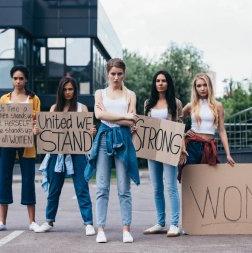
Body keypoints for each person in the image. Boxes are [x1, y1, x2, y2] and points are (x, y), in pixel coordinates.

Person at [84, 58, 139, 243]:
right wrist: (124, 116)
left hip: (123, 140)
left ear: (124, 74)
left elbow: (132, 122)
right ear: (108, 74)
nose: (116, 77)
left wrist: (115, 118)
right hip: (103, 139)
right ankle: (100, 229)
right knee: (102, 186)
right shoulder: (99, 93)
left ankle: (126, 229)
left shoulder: (130, 94)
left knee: (124, 187)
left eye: (119, 74)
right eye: (113, 74)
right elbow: (99, 116)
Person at [33, 77, 96, 236]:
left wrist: (91, 133)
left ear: (75, 91)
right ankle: (49, 220)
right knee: (54, 189)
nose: (68, 92)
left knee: (82, 188)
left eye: (71, 89)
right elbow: (46, 130)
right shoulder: (54, 108)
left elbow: (88, 133)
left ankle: (88, 223)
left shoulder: (82, 108)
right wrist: (38, 132)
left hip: (78, 153)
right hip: (57, 154)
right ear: (61, 91)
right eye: (65, 89)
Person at [0, 65, 41, 232]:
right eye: (15, 78)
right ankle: (2, 221)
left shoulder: (34, 99)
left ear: (26, 80)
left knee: (28, 180)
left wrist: (36, 129)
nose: (18, 81)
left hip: (27, 144)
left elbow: (38, 123)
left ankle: (32, 222)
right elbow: (0, 121)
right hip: (6, 143)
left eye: (21, 78)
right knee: (4, 180)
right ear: (12, 79)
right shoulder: (4, 99)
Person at [142, 70, 184, 237]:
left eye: (164, 80)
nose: (160, 83)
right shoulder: (148, 103)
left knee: (171, 186)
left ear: (168, 83)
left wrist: (181, 148)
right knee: (157, 188)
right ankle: (160, 222)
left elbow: (180, 125)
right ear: (154, 83)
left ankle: (174, 224)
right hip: (152, 147)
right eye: (158, 80)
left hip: (169, 147)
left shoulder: (176, 102)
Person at [179, 73, 235, 180]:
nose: (202, 88)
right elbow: (176, 121)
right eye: (199, 86)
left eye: (205, 85)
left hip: (208, 147)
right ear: (195, 88)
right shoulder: (190, 105)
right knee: (191, 181)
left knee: (207, 181)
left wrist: (228, 154)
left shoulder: (218, 105)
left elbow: (222, 131)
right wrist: (184, 134)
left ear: (209, 86)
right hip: (192, 145)